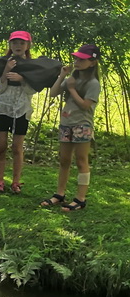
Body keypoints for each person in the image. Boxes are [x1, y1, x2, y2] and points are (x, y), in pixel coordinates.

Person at [40, 44, 101, 212]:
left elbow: (85, 105)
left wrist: (72, 89)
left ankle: (80, 199)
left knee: (81, 161)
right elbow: (53, 93)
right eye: (76, 58)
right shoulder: (72, 79)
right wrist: (62, 76)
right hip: (66, 123)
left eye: (82, 59)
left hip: (82, 124)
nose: (77, 62)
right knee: (64, 160)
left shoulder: (93, 83)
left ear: (92, 62)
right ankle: (59, 194)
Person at [0, 30, 37, 194]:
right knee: (2, 146)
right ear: (9, 44)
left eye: (22, 43)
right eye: (14, 42)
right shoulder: (3, 62)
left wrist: (22, 79)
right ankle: (0, 180)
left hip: (22, 110)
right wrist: (6, 71)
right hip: (3, 108)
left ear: (28, 45)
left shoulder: (32, 66)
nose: (18, 46)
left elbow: (32, 90)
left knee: (17, 147)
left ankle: (16, 181)